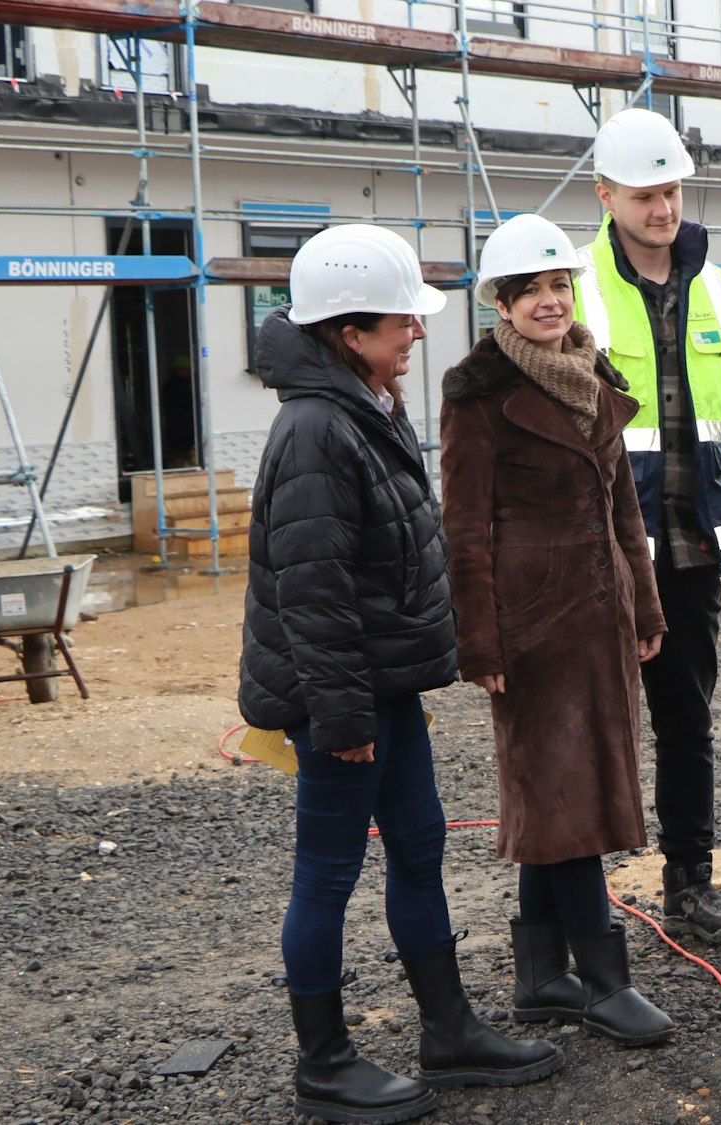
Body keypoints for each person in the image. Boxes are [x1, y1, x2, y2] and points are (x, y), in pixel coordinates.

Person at [239, 224, 562, 1125]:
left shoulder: (364, 402)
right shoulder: (313, 430)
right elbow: (312, 592)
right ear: (349, 332)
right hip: (341, 700)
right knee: (328, 872)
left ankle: (449, 1029)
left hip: (384, 687)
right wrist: (341, 721)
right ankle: (325, 1061)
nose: (417, 334)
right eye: (400, 323)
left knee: (419, 847)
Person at [438, 212, 677, 1049]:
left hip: (601, 615)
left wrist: (646, 606)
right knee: (566, 795)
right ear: (500, 304)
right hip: (532, 627)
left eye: (558, 284)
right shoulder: (478, 396)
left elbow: (624, 507)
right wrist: (481, 641)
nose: (549, 299)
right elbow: (464, 527)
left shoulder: (589, 370)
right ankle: (605, 981)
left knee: (566, 793)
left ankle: (543, 977)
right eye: (529, 289)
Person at [572, 108, 721, 949]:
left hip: (692, 546)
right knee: (586, 725)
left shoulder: (720, 290)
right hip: (600, 551)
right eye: (647, 194)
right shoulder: (573, 284)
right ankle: (575, 911)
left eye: (673, 192)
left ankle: (690, 884)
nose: (664, 209)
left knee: (685, 721)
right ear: (606, 194)